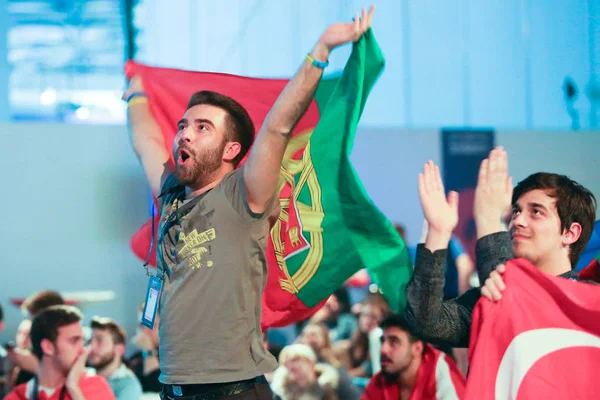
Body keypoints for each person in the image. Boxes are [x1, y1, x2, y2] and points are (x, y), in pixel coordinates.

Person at [123, 7, 376, 399]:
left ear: (232, 149)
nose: (185, 135)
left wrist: (321, 49)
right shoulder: (172, 194)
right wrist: (137, 94)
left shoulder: (243, 196)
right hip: (174, 390)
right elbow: (145, 143)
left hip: (234, 392)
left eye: (202, 128)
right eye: (183, 126)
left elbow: (278, 125)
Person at [404, 147, 598, 348]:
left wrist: (488, 222)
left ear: (570, 233)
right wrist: (438, 233)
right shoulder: (488, 296)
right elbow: (425, 322)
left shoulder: (591, 301)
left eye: (536, 212)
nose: (518, 221)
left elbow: (521, 321)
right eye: (515, 211)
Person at [5, 305, 115, 400]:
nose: (83, 350)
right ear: (48, 347)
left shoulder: (96, 387)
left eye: (83, 341)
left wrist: (74, 389)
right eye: (74, 341)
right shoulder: (19, 396)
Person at [361, 315, 465, 400]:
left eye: (394, 342)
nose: (383, 349)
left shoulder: (442, 374)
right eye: (383, 341)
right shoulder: (382, 379)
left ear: (417, 348)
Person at [9, 290, 66, 387]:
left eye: (36, 323)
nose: (33, 329)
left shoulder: (70, 352)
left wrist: (37, 369)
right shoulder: (31, 354)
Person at [271, 343, 358, 400]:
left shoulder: (335, 383)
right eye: (285, 363)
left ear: (311, 362)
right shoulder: (281, 392)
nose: (290, 365)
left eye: (295, 359)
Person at [87, 317, 143, 399]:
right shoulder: (84, 376)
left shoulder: (128, 385)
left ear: (119, 349)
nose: (91, 347)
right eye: (90, 341)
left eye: (100, 340)